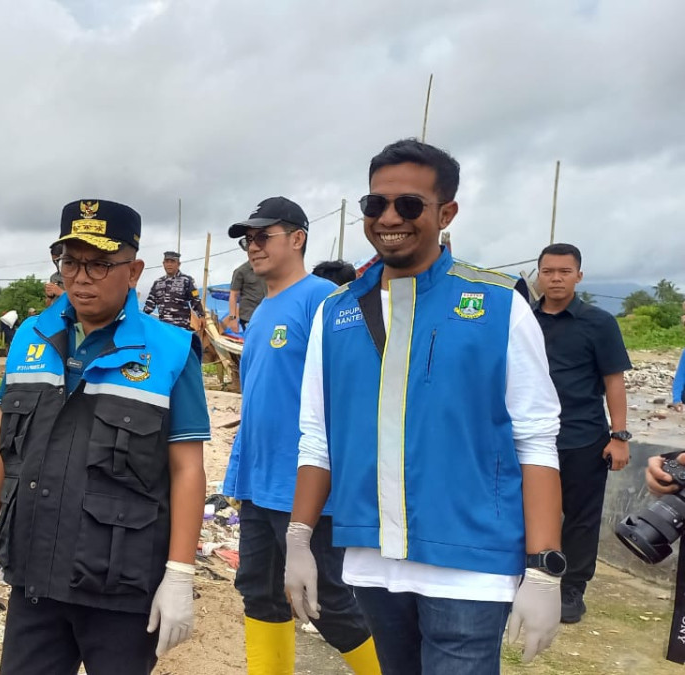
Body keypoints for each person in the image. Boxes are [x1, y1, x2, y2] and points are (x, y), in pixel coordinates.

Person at [287, 139, 565, 673]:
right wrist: (299, 540)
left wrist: (544, 569)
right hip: (371, 562)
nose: (389, 217)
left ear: (446, 212)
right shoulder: (336, 313)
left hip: (472, 567)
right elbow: (317, 437)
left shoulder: (499, 303)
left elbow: (535, 440)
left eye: (409, 205)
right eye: (376, 204)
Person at [0, 199, 211, 675]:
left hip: (120, 583)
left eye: (99, 264)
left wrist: (179, 574)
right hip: (35, 573)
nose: (80, 277)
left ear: (134, 269)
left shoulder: (171, 350)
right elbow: (0, 436)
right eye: (70, 262)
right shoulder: (31, 336)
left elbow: (186, 468)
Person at [223, 197, 380, 675]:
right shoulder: (265, 310)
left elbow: (351, 391)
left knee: (329, 601)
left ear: (297, 238)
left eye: (262, 236)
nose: (253, 247)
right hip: (258, 482)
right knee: (259, 591)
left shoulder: (324, 300)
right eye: (248, 239)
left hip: (305, 485)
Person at [533, 242, 632, 624]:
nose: (556, 278)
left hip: (583, 438)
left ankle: (571, 589)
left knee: (581, 519)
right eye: (548, 271)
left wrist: (618, 436)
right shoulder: (524, 320)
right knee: (526, 513)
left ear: (579, 276)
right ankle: (530, 579)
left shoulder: (599, 322)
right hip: (531, 439)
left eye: (564, 272)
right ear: (538, 275)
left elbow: (614, 381)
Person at [143, 251, 204, 330]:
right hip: (164, 328)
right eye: (167, 262)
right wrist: (141, 318)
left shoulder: (187, 280)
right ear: (163, 264)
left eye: (172, 262)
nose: (169, 264)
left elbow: (195, 299)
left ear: (178, 264)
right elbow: (149, 305)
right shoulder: (158, 283)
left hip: (181, 328)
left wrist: (201, 316)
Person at [228, 260, 267, 330]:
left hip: (268, 314)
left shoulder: (269, 268)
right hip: (249, 317)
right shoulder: (241, 271)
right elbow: (233, 295)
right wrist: (232, 319)